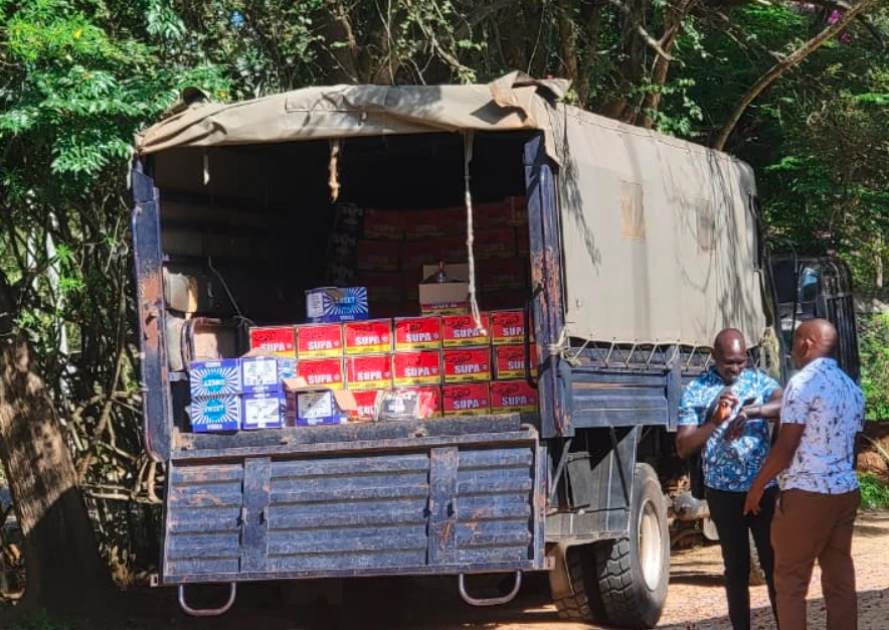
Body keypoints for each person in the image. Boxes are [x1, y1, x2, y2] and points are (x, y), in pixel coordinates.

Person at [744, 319, 865, 630]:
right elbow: (852, 448)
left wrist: (757, 487)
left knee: (791, 583)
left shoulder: (802, 384)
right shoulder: (851, 388)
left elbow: (785, 448)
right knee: (839, 580)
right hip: (844, 492)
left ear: (807, 343)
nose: (792, 347)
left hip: (807, 493)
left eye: (796, 339)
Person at [676, 328, 783, 630]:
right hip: (722, 492)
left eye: (740, 362)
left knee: (774, 562)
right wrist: (714, 422)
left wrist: (752, 411)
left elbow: (787, 404)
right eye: (728, 363)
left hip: (763, 487)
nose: (735, 369)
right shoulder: (697, 390)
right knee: (736, 568)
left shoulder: (760, 382)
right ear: (714, 358)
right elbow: (683, 446)